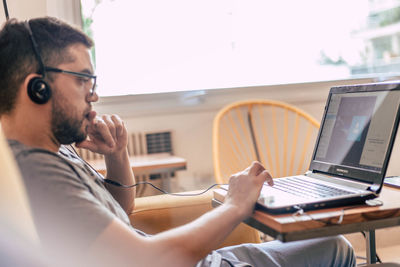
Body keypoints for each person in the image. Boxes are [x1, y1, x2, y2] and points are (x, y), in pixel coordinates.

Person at [0, 17, 356, 267]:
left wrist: (118, 155)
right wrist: (235, 205)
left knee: (331, 244)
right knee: (336, 249)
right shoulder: (35, 170)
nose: (93, 96)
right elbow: (147, 262)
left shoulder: (54, 149)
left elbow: (119, 214)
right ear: (37, 87)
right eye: (83, 80)